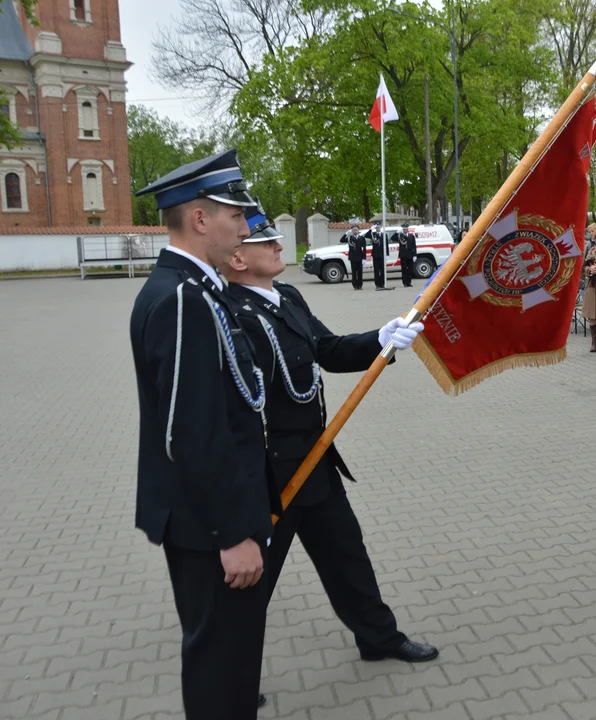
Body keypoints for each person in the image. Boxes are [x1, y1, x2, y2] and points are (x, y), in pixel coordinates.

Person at [224, 203, 438, 668]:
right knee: (255, 577)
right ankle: (229, 675)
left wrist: (380, 339)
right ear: (237, 259)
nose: (278, 244)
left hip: (315, 456)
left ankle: (378, 638)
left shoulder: (288, 297)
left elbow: (327, 349)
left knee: (347, 554)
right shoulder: (229, 316)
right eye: (265, 241)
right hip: (269, 472)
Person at [129, 150, 275, 719]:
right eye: (233, 216)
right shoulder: (185, 298)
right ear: (198, 219)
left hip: (212, 515)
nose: (244, 227)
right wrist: (231, 533)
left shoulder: (193, 289)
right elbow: (190, 433)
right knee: (220, 666)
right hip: (210, 524)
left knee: (233, 664)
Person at [345, 224, 366, 290]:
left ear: (358, 230)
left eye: (356, 230)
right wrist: (346, 233)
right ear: (352, 231)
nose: (355, 231)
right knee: (354, 273)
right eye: (353, 230)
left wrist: (364, 258)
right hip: (353, 258)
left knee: (360, 273)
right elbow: (342, 240)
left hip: (360, 258)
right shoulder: (350, 238)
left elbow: (364, 249)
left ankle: (360, 285)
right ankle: (355, 285)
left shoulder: (361, 238)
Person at [370, 222, 388, 290]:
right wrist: (370, 230)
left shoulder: (384, 235)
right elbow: (367, 235)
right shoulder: (373, 234)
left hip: (382, 255)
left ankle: (382, 284)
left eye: (379, 227)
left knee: (383, 271)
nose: (378, 228)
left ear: (380, 227)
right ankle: (377, 284)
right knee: (376, 271)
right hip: (375, 255)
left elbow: (386, 245)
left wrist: (387, 254)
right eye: (376, 227)